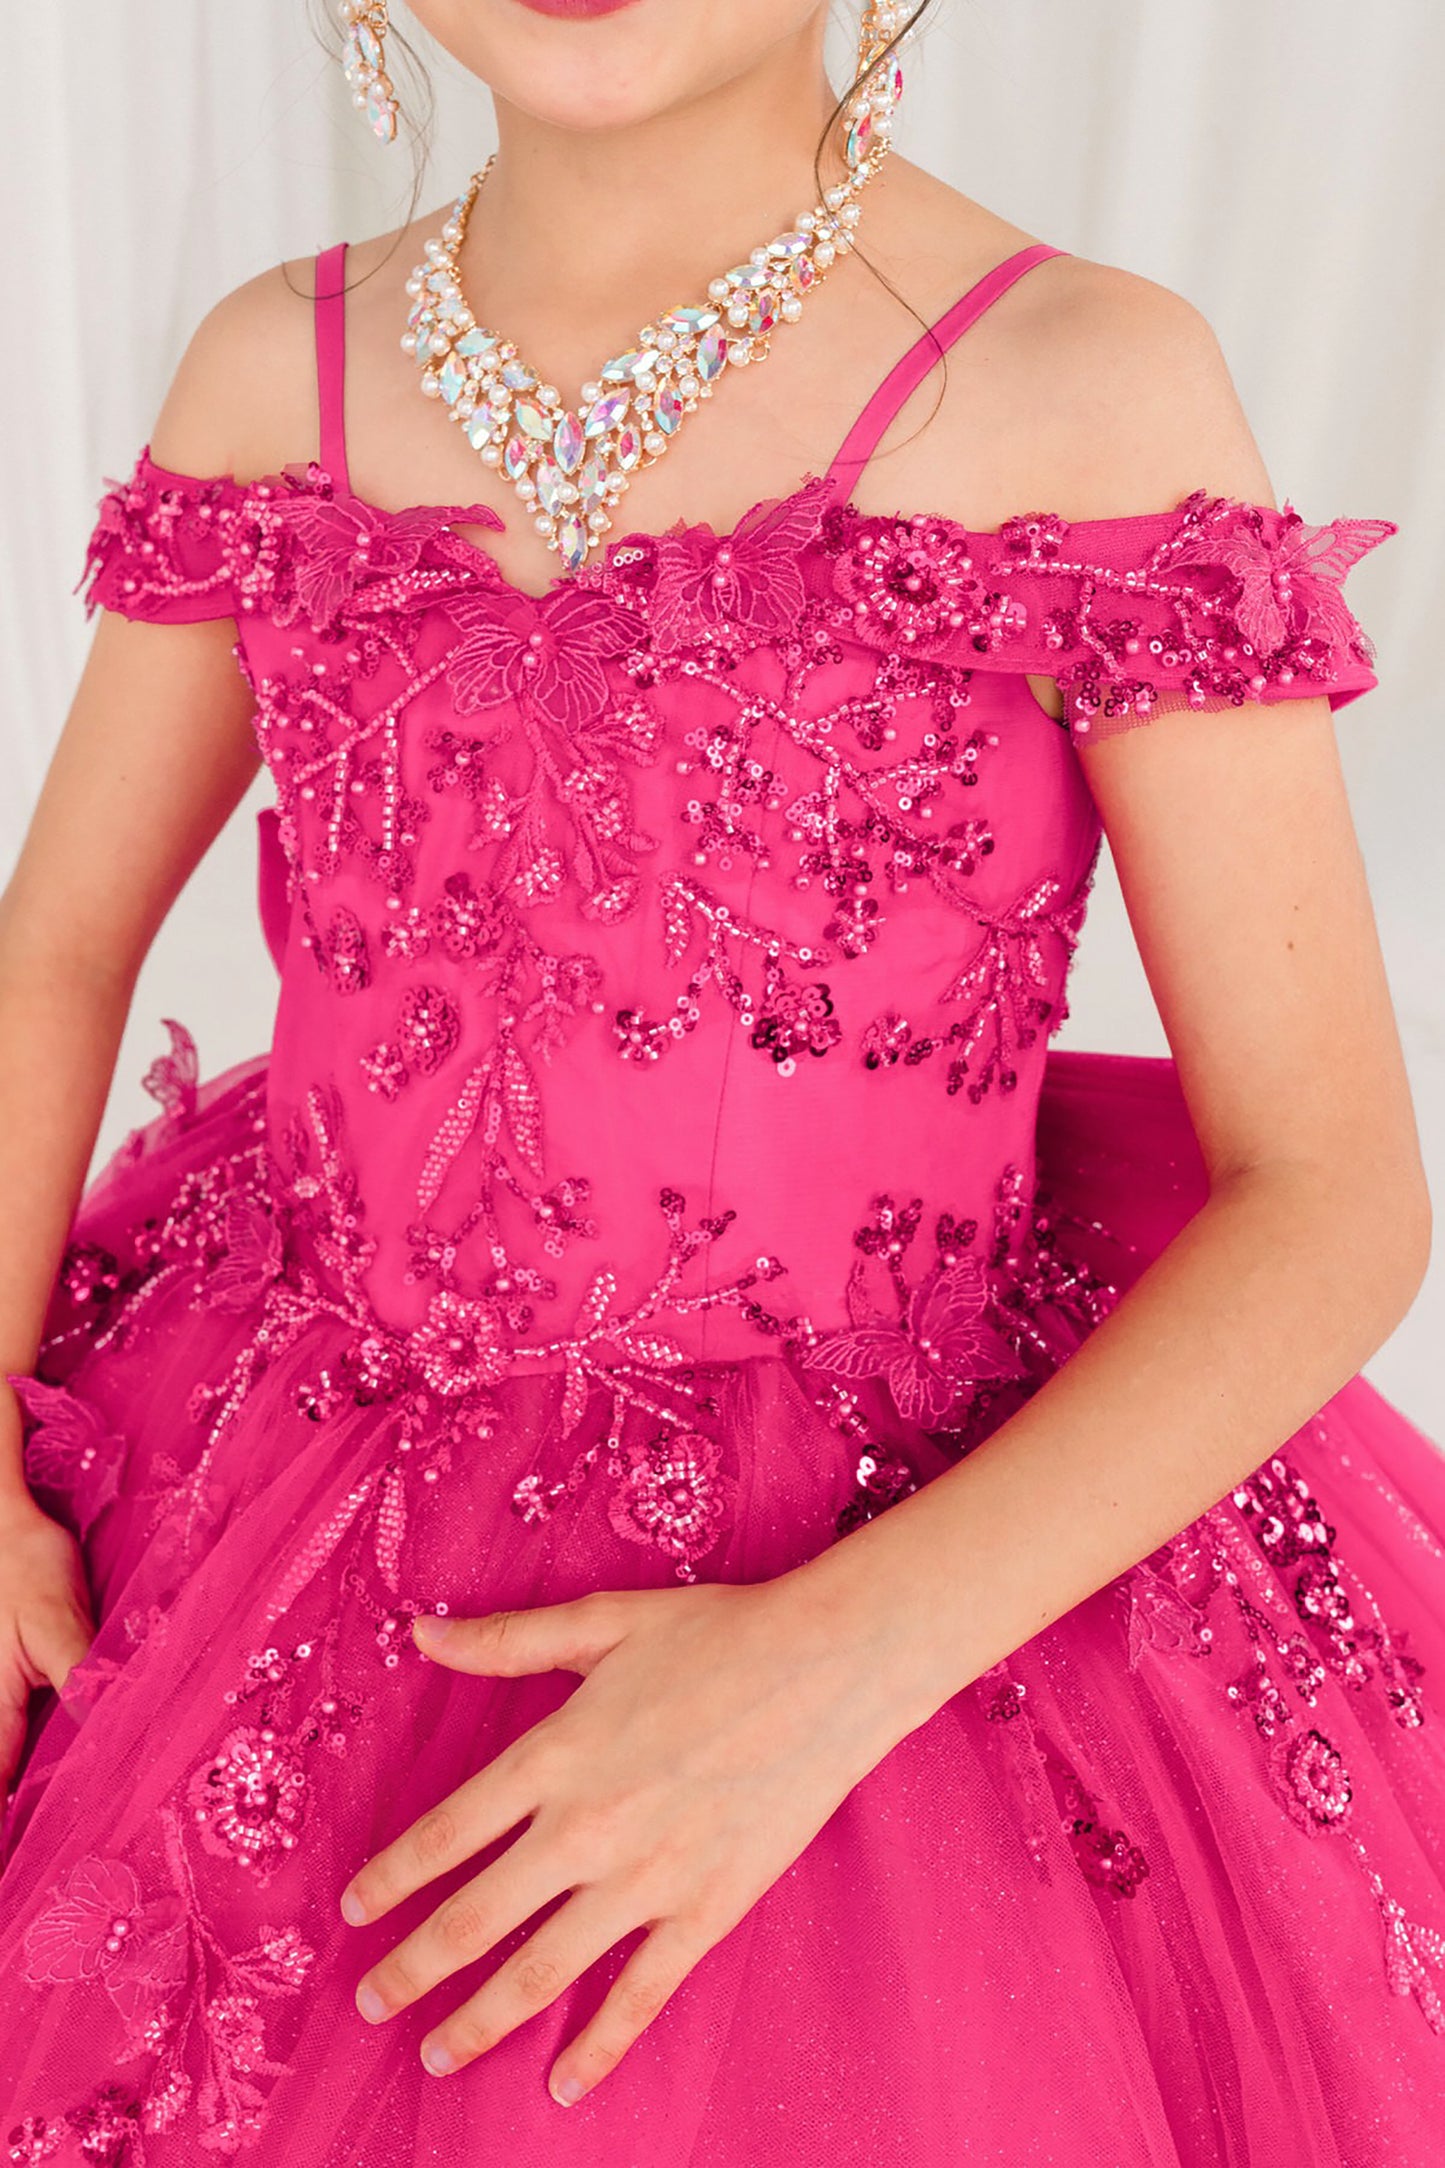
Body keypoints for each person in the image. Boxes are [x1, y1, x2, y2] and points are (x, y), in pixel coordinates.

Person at [1, 1, 1441, 2160]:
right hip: (268, 1503)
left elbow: (1330, 1187)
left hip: (903, 1600)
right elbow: (57, 943)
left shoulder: (1079, 384)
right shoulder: (271, 367)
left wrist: (822, 1675)